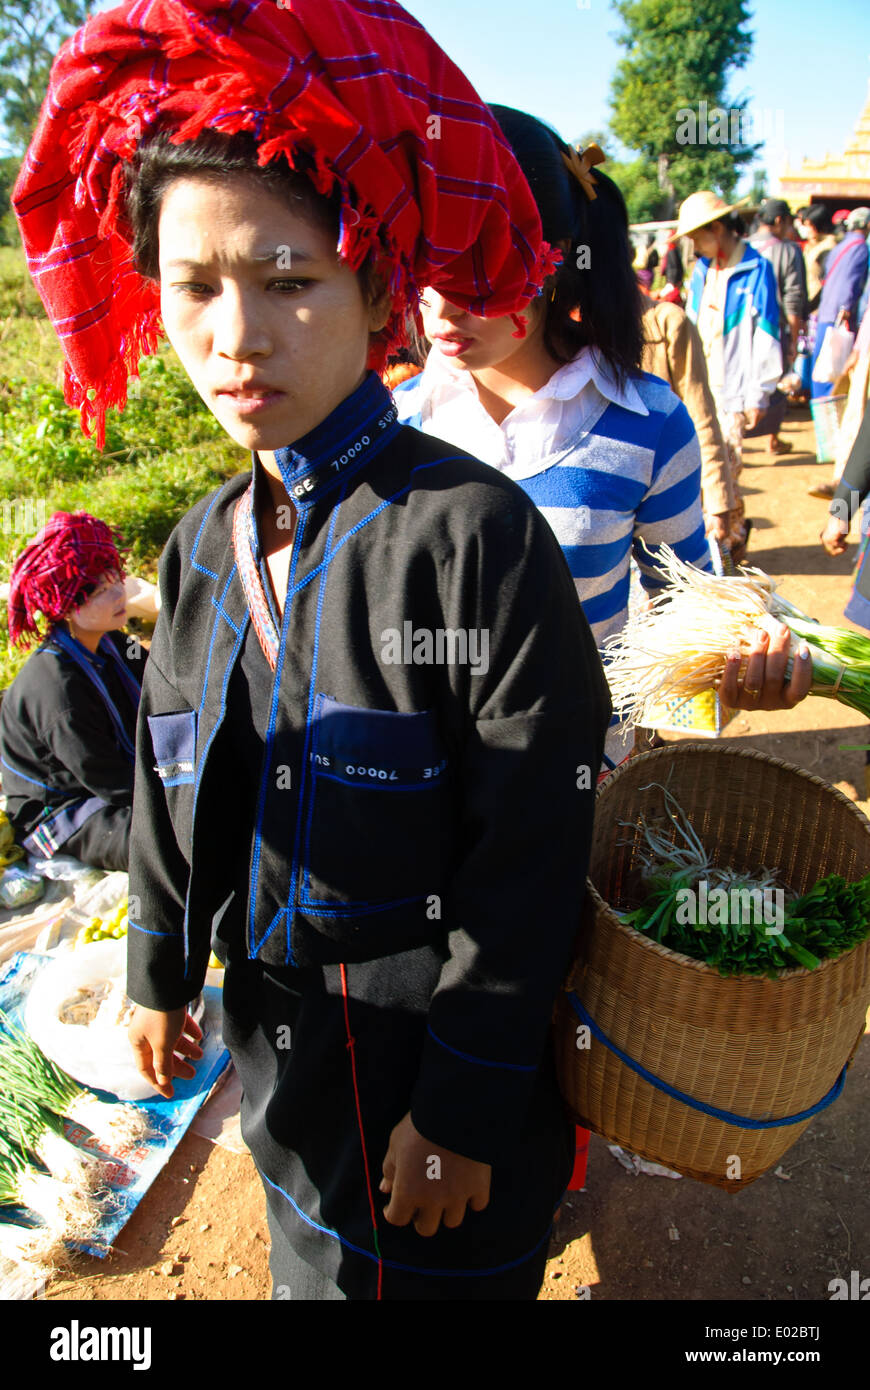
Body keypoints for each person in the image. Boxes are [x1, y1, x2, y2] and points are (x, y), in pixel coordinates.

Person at [14, 0, 614, 1301]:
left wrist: (458, 1108)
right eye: (195, 286)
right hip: (290, 1100)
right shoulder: (197, 549)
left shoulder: (478, 543)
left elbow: (528, 852)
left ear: (378, 287)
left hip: (446, 1123)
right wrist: (161, 972)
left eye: (288, 279)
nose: (235, 335)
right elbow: (168, 780)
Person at [0, 512, 144, 870]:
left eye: (117, 581)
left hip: (114, 783)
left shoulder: (112, 644)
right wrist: (180, 794)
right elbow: (109, 781)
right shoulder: (57, 690)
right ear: (66, 608)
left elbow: (165, 689)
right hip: (66, 810)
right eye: (101, 591)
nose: (118, 594)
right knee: (165, 838)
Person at [676, 190, 783, 561]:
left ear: (717, 229)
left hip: (734, 385)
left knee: (729, 465)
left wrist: (759, 393)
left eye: (696, 237)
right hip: (698, 385)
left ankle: (729, 543)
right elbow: (689, 324)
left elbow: (767, 331)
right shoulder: (702, 271)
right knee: (703, 466)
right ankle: (725, 541)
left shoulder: (757, 269)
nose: (692, 246)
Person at [639, 291, 736, 551]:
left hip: (670, 503)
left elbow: (700, 414)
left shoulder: (668, 322)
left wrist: (717, 502)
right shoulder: (565, 329)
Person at [748, 197, 807, 454]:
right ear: (780, 220)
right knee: (776, 380)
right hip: (774, 329)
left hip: (741, 328)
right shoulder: (788, 250)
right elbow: (793, 298)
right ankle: (772, 438)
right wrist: (794, 337)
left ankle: (740, 436)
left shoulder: (741, 247)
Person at [811, 206, 869, 400]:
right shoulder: (860, 247)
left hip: (826, 310)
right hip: (840, 315)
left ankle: (818, 407)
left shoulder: (840, 246)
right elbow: (851, 279)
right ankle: (829, 413)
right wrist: (846, 307)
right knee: (833, 368)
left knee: (821, 364)